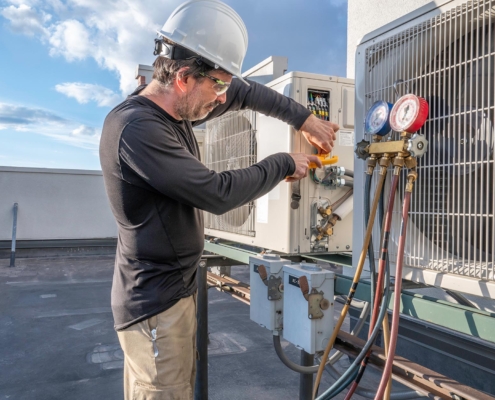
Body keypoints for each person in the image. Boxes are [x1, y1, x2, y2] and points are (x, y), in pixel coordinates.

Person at [99, 0, 339, 398]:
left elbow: (246, 93)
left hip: (172, 294)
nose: (222, 98)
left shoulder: (178, 111)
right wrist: (282, 163)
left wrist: (304, 118)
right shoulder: (136, 129)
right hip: (154, 305)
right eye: (218, 86)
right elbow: (216, 192)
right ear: (183, 78)